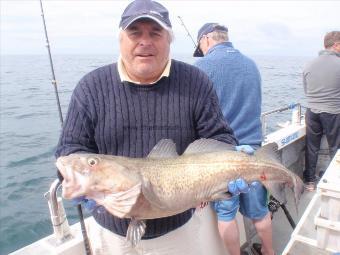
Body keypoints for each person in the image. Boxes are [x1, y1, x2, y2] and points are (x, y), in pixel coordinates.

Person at [55, 1, 248, 254]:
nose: (145, 41)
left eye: (155, 33)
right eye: (135, 32)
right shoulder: (90, 87)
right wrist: (80, 180)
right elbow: (70, 150)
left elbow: (219, 136)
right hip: (112, 234)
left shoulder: (196, 81)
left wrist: (230, 164)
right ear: (121, 39)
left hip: (180, 231)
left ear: (169, 40)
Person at [193, 23, 274, 255]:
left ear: (206, 39)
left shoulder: (201, 67)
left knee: (226, 214)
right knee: (259, 211)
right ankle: (270, 251)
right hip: (254, 153)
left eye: (200, 45)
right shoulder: (251, 65)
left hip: (222, 155)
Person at [302, 31, 340, 191]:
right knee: (335, 148)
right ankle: (334, 181)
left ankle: (310, 182)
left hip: (312, 112)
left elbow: (306, 90)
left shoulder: (309, 64)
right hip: (333, 112)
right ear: (337, 45)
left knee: (312, 147)